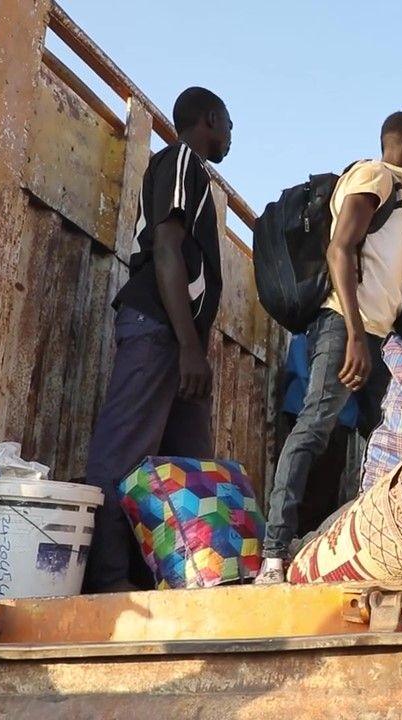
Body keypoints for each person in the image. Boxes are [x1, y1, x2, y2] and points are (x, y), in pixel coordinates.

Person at [257, 111, 402, 584]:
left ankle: (382, 541)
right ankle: (274, 554)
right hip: (346, 328)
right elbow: (341, 248)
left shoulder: (398, 196)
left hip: (377, 337)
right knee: (314, 427)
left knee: (394, 437)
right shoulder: (373, 175)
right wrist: (354, 334)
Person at [82, 87, 233, 593]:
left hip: (176, 337)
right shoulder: (182, 159)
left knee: (187, 468)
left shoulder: (193, 171)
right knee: (120, 457)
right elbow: (166, 251)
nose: (231, 135)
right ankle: (107, 582)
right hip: (159, 330)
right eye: (228, 124)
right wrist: (189, 347)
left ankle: (180, 579)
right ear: (209, 119)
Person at [276, 332, 358, 535]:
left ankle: (293, 544)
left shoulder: (305, 332)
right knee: (314, 491)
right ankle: (298, 546)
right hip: (329, 414)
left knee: (305, 487)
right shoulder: (344, 329)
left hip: (306, 409)